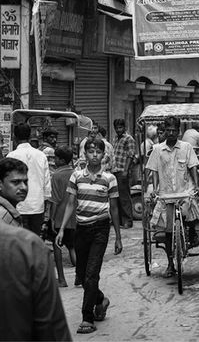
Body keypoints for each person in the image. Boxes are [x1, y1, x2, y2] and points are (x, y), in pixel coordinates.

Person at [0, 120, 71, 342]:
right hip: (37, 207)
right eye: (16, 182)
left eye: (24, 182)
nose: (22, 186)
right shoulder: (27, 248)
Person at [57, 137, 122, 335]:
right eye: (91, 151)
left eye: (98, 152)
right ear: (85, 154)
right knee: (83, 276)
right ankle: (100, 299)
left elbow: (114, 208)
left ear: (104, 155)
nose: (94, 155)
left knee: (92, 273)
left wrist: (118, 237)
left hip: (101, 229)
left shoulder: (109, 178)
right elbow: (70, 204)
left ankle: (87, 317)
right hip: (81, 229)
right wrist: (61, 229)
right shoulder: (76, 176)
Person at [146, 116, 199, 277]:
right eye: (168, 130)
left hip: (184, 191)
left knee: (188, 211)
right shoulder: (157, 149)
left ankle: (192, 233)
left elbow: (192, 167)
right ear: (164, 131)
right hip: (166, 194)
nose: (171, 133)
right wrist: (155, 189)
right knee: (169, 230)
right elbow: (155, 171)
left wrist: (197, 186)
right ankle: (171, 263)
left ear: (179, 131)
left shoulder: (186, 147)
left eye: (174, 130)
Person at [6, 123, 51, 237]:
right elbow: (47, 184)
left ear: (14, 137)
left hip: (18, 206)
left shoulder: (11, 156)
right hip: (37, 206)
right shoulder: (41, 155)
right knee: (35, 241)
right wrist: (44, 204)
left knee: (19, 242)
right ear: (30, 136)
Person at [50, 146, 77, 288]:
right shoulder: (76, 174)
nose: (54, 160)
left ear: (60, 160)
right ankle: (79, 277)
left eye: (55, 158)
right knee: (73, 246)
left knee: (57, 246)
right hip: (74, 216)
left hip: (60, 216)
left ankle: (61, 279)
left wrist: (52, 218)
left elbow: (55, 199)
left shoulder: (56, 175)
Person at [111, 118, 136, 229]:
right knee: (116, 197)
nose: (118, 130)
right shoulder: (116, 138)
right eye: (116, 128)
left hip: (123, 171)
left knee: (124, 197)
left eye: (120, 127)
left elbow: (131, 155)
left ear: (124, 127)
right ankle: (120, 220)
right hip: (115, 171)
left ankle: (127, 221)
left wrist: (126, 170)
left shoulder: (128, 139)